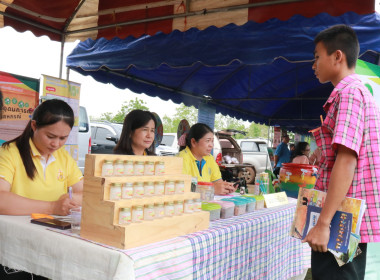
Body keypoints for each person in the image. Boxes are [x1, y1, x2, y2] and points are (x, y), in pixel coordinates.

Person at [303, 24, 380, 280]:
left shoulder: (349, 94)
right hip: (349, 220)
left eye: (316, 56)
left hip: (341, 222)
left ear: (338, 56)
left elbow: (347, 162)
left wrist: (324, 224)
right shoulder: (359, 92)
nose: (313, 65)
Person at [0, 99, 83, 216]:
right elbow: (1, 199)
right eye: (50, 136)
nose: (56, 144)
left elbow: (86, 193)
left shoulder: (64, 157)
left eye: (63, 138)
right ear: (34, 126)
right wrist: (52, 207)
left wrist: (72, 198)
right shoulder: (9, 153)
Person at [178, 123, 237, 195]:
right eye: (208, 141)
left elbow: (218, 182)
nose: (211, 145)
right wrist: (212, 189)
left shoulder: (209, 158)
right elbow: (180, 188)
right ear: (193, 142)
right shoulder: (181, 159)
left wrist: (225, 187)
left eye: (212, 141)